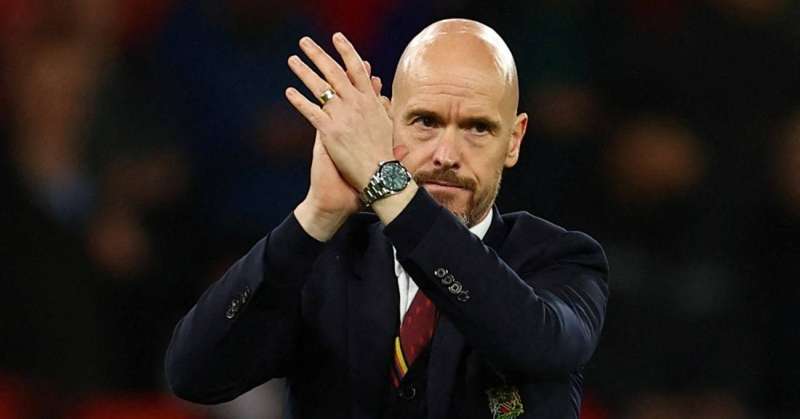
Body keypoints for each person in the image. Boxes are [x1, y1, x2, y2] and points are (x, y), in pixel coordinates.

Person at [165, 18, 609, 419]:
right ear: (389, 123)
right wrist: (317, 214)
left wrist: (386, 183)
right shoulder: (326, 256)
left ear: (513, 140)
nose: (446, 155)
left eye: (478, 128)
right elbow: (195, 374)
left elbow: (533, 344)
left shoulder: (562, 260)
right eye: (425, 121)